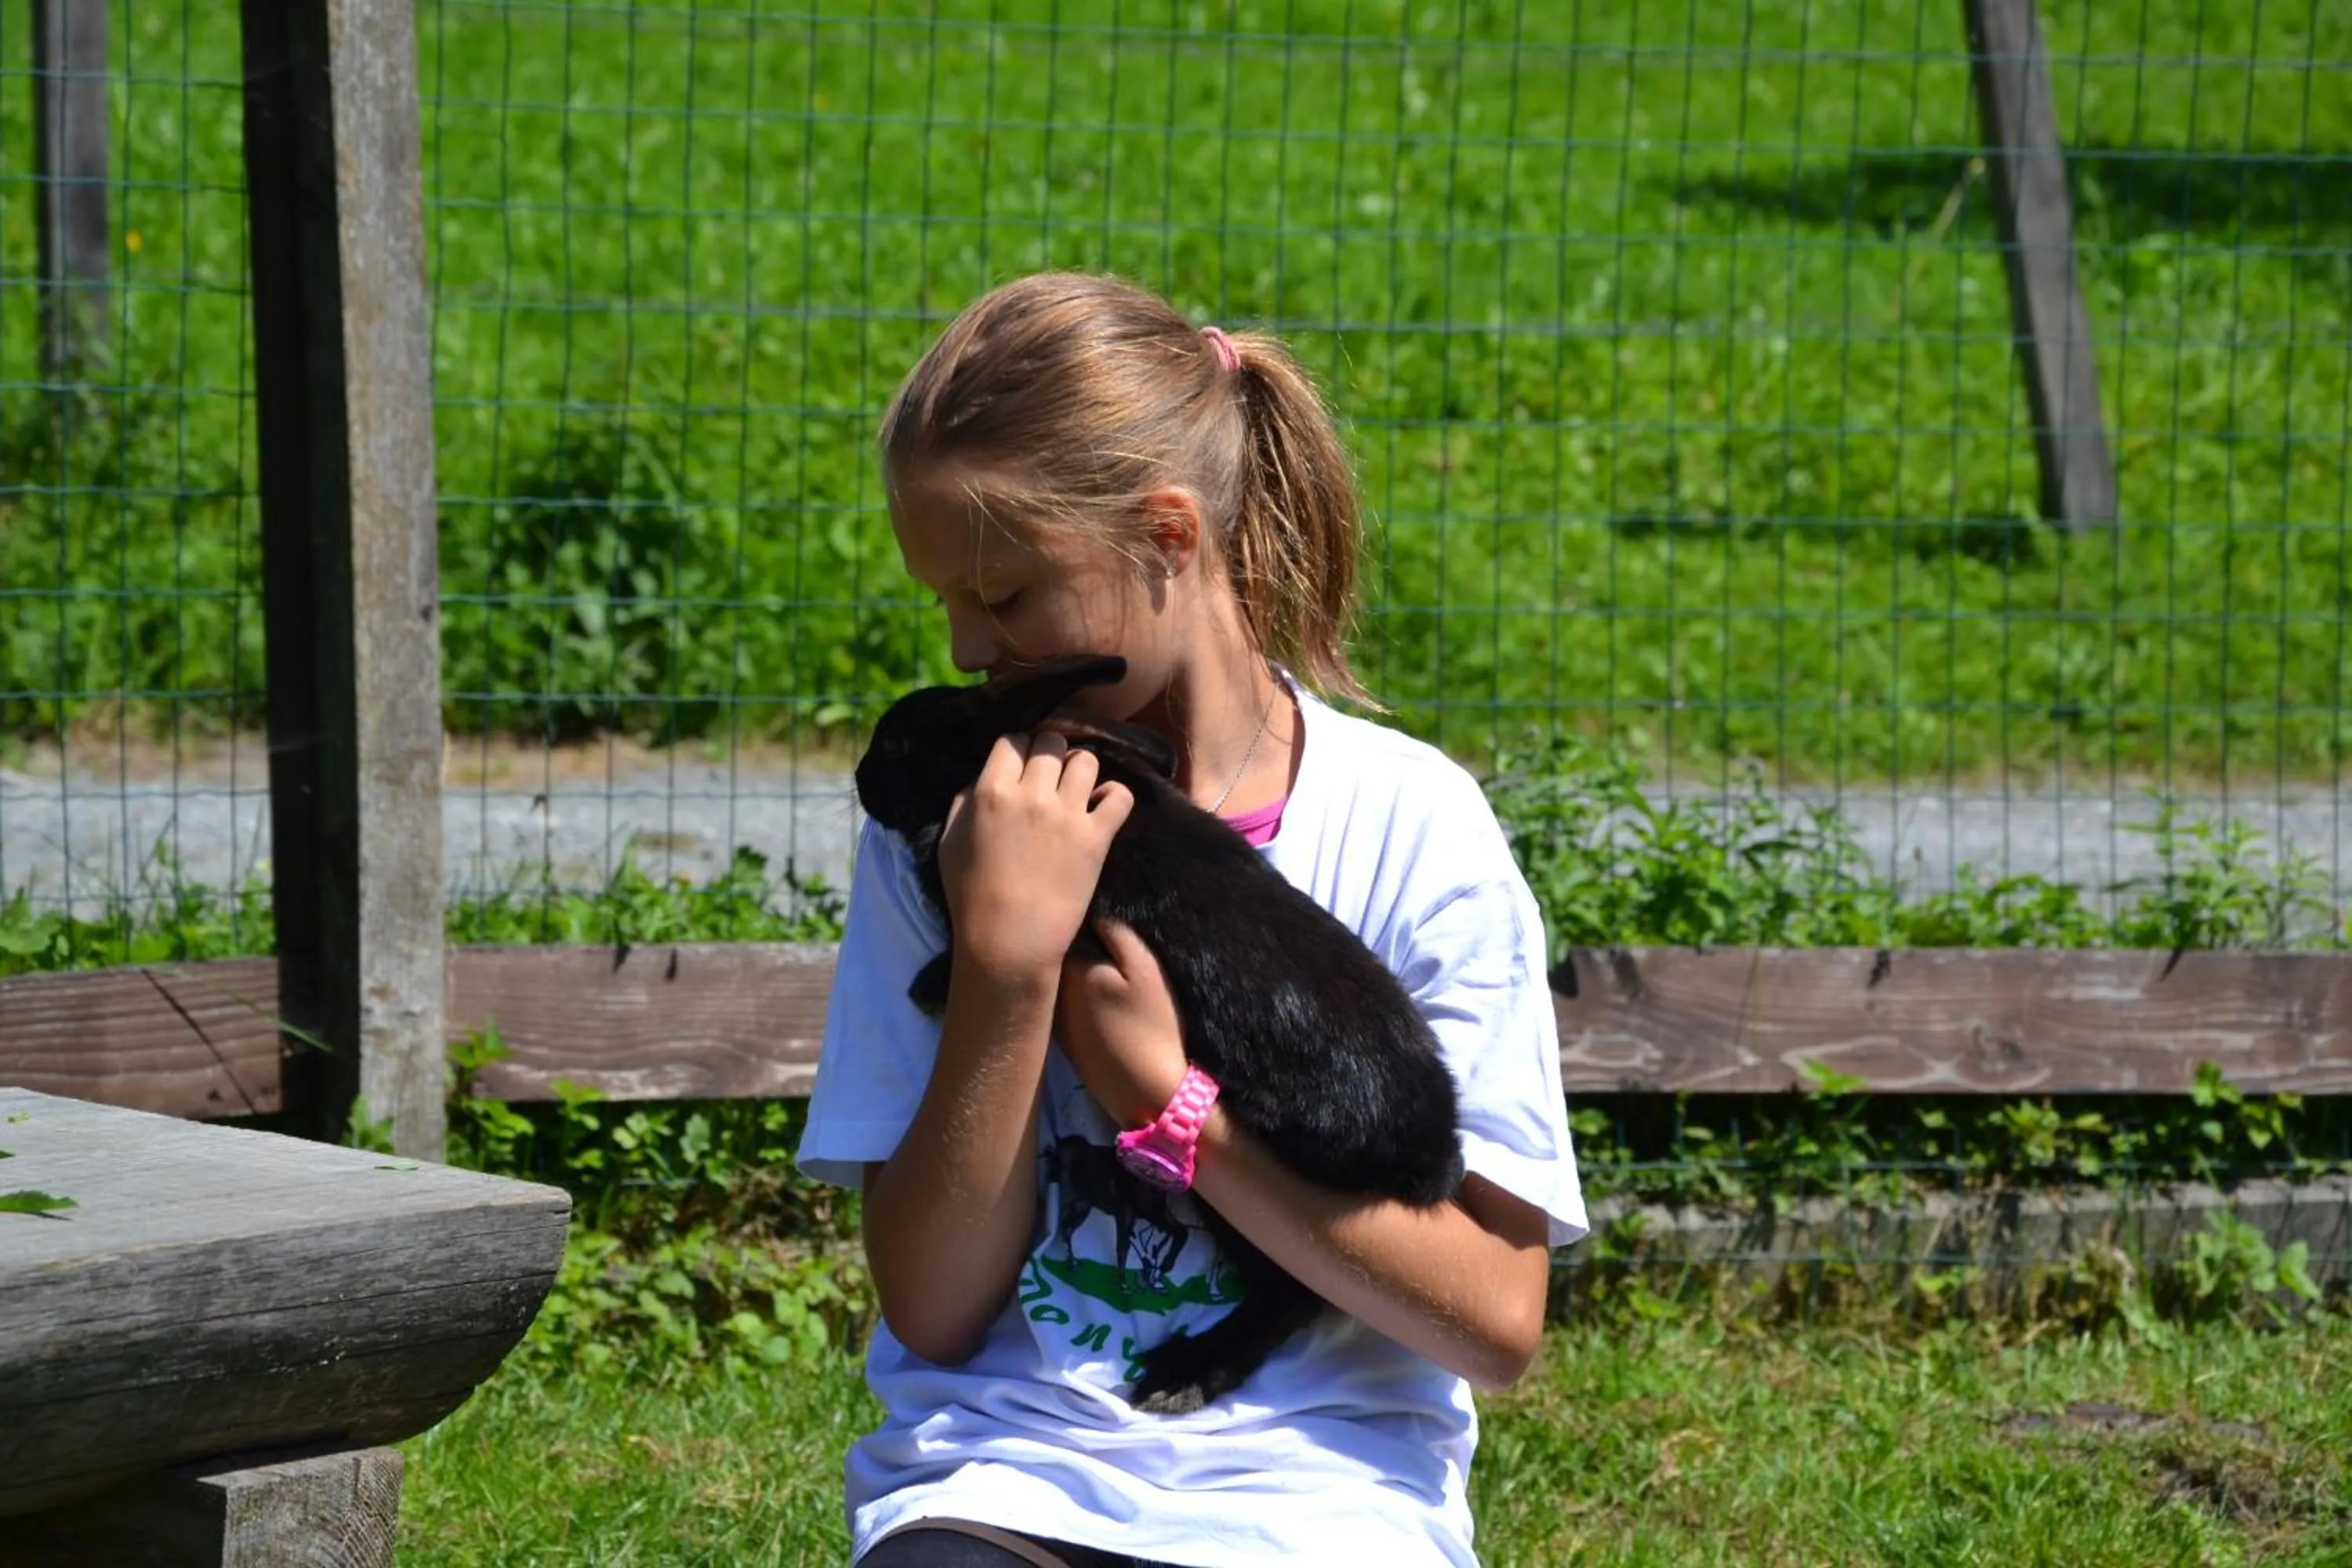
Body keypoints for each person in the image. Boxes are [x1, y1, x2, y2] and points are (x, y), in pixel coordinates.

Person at [797, 271, 1584, 1567]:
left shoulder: (1411, 825)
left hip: (1322, 1506)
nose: (966, 648)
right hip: (1011, 1480)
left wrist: (1170, 1106)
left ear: (1168, 535)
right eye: (942, 600)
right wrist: (1004, 972)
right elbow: (934, 1311)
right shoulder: (955, 833)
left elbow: (1494, 1319)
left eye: (1005, 597)